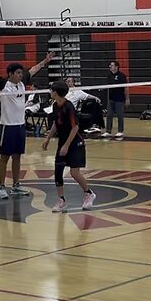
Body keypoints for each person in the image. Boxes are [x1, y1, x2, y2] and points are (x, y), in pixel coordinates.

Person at [0, 52, 55, 200]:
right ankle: (1, 187)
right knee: (4, 157)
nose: (21, 75)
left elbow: (33, 69)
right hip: (8, 127)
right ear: (10, 74)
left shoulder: (22, 83)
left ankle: (16, 185)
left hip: (20, 126)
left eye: (21, 73)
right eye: (18, 73)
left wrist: (46, 60)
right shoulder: (4, 84)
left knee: (17, 157)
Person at [43, 80, 96, 212]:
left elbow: (75, 127)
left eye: (52, 90)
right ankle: (61, 200)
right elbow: (56, 123)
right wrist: (48, 138)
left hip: (74, 143)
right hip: (62, 142)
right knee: (58, 171)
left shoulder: (69, 106)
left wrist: (66, 145)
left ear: (56, 92)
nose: (50, 92)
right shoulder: (55, 106)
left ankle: (89, 193)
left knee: (74, 172)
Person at [105, 61, 128, 140]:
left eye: (111, 65)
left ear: (116, 67)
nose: (110, 66)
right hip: (111, 99)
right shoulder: (109, 76)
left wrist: (127, 98)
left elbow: (126, 88)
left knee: (120, 115)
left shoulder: (122, 76)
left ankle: (120, 131)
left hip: (119, 99)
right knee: (109, 115)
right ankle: (108, 131)